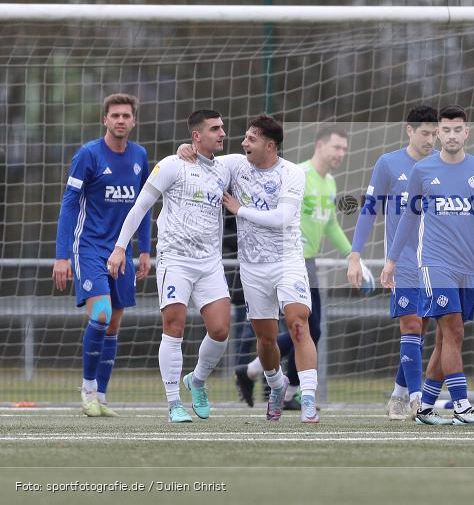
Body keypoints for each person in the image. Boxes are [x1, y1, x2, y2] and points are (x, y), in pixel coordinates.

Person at [178, 116, 317, 422]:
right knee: (266, 338)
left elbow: (282, 217)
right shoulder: (235, 165)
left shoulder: (292, 173)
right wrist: (186, 149)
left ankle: (308, 398)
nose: (244, 143)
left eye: (252, 139)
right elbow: (204, 161)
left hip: (288, 262)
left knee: (298, 324)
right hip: (252, 268)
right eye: (245, 137)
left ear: (270, 145)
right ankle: (276, 385)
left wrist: (240, 210)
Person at [382, 105, 474, 425]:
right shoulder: (422, 170)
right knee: (453, 330)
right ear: (438, 133)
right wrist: (391, 261)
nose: (451, 135)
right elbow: (408, 218)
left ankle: (425, 406)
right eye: (445, 130)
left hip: (467, 267)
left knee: (445, 338)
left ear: (467, 132)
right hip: (434, 264)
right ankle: (462, 406)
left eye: (457, 130)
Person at [108, 110, 232, 423]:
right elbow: (140, 207)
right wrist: (121, 248)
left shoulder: (226, 168)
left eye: (222, 128)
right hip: (175, 260)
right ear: (196, 135)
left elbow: (257, 163)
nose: (222, 133)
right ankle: (174, 402)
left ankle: (197, 381)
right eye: (215, 129)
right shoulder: (171, 165)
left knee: (220, 330)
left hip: (210, 263)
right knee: (174, 326)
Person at [235, 126, 353, 408]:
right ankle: (272, 381)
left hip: (307, 262)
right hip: (287, 260)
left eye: (344, 149)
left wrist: (352, 254)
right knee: (302, 328)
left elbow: (330, 224)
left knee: (310, 329)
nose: (341, 153)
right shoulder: (297, 173)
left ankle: (260, 376)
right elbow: (277, 213)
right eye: (336, 147)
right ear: (319, 146)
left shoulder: (329, 183)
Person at [53, 93, 151, 418]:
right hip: (89, 248)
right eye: (115, 115)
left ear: (133, 121)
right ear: (104, 120)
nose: (121, 120)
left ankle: (102, 397)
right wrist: (62, 256)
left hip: (122, 252)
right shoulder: (88, 154)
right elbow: (69, 204)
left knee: (113, 325)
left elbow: (143, 206)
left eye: (126, 115)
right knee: (102, 314)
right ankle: (87, 390)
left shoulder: (140, 155)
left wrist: (145, 249)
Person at [348, 106, 438, 420]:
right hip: (402, 262)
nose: (430, 139)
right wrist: (355, 255)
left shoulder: (443, 164)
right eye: (424, 133)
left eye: (434, 133)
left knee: (420, 329)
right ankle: (416, 399)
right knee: (411, 325)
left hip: (436, 262)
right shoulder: (388, 164)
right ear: (409, 131)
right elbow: (369, 210)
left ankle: (398, 396)